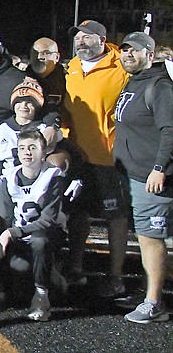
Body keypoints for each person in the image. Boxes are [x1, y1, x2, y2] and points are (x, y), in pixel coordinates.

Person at [62, 20, 131, 295]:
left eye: (87, 37)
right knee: (78, 214)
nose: (80, 42)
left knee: (116, 217)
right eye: (77, 37)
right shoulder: (74, 68)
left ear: (102, 40)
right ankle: (75, 267)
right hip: (78, 156)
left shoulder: (121, 66)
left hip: (110, 159)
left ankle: (116, 276)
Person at [111, 32, 172, 323]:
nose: (128, 55)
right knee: (145, 236)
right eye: (124, 50)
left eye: (135, 51)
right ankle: (151, 291)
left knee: (151, 237)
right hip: (132, 174)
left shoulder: (159, 86)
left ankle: (154, 303)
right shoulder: (134, 82)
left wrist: (160, 168)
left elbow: (170, 130)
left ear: (150, 54)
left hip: (151, 176)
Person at [0, 129, 68, 322]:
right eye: (23, 148)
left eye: (33, 148)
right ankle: (47, 274)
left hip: (46, 236)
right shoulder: (9, 177)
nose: (27, 152)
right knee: (18, 272)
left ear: (44, 152)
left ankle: (42, 295)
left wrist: (12, 232)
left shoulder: (53, 176)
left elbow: (48, 220)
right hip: (18, 236)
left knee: (39, 241)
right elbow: (5, 215)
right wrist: (2, 238)